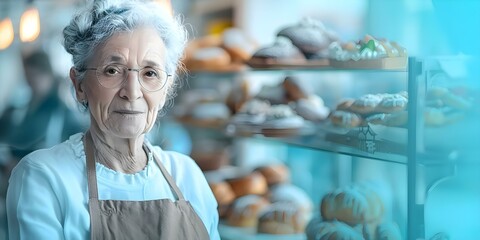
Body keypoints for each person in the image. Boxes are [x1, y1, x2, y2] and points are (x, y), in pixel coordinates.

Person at [6, 0, 220, 239]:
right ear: (79, 85)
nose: (132, 91)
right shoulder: (43, 177)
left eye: (150, 73)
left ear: (166, 89)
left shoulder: (187, 176)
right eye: (112, 70)